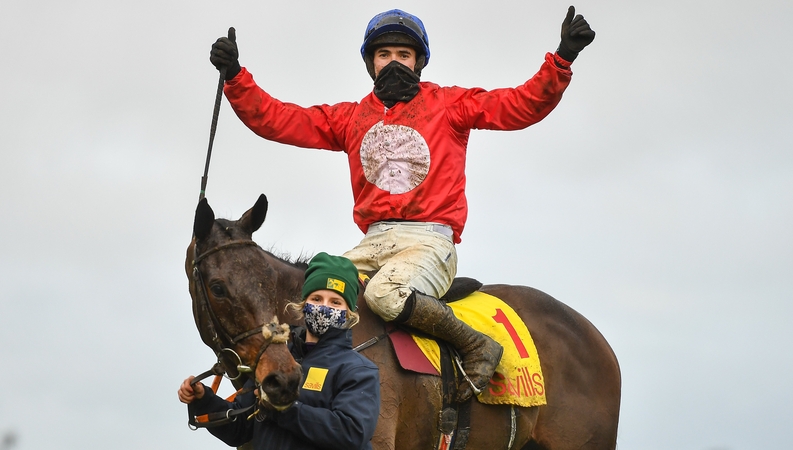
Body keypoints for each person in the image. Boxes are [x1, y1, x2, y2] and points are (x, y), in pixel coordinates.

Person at [209, 6, 595, 402]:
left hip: (430, 241)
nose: (394, 63)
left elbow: (519, 104)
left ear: (419, 62)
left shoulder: (449, 104)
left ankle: (477, 344)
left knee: (383, 296)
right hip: (372, 241)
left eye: (404, 55)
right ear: (371, 63)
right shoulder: (350, 117)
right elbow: (279, 118)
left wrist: (562, 58)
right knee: (314, 296)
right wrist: (237, 78)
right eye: (384, 55)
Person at [178, 252, 381, 450]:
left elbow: (352, 432)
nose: (324, 308)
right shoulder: (277, 360)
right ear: (303, 304)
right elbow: (239, 428)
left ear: (349, 312)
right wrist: (204, 400)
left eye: (335, 302)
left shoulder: (359, 370)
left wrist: (283, 411)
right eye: (317, 299)